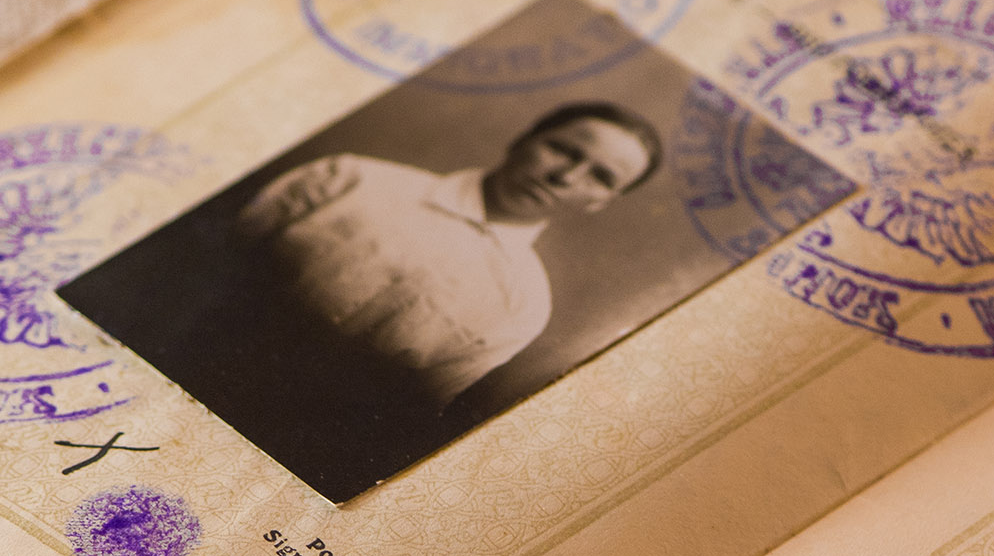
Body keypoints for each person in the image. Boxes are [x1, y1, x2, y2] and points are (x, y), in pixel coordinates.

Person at [62, 101, 663, 500]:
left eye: (598, 177)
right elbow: (189, 273)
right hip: (140, 371)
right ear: (527, 138)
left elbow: (403, 415)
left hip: (262, 463)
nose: (566, 176)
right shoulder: (352, 178)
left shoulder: (525, 304)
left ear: (599, 204)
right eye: (563, 149)